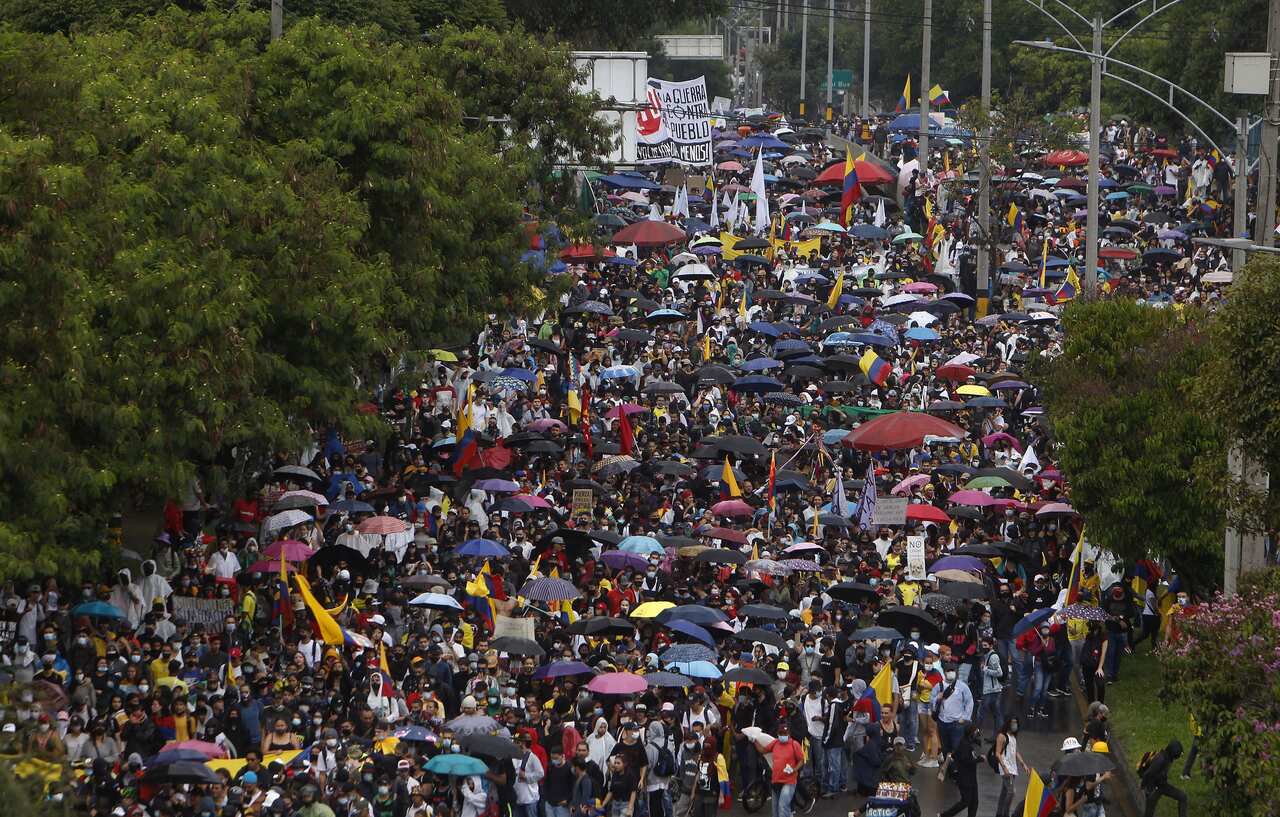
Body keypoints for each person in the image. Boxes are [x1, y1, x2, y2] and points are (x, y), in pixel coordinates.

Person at [753, 721, 806, 817]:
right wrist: (754, 741)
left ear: (789, 734)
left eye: (785, 734)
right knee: (775, 811)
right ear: (778, 734)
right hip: (776, 781)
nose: (783, 735)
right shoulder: (775, 743)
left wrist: (794, 770)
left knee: (782, 806)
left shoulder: (794, 745)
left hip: (789, 781)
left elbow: (801, 760)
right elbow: (763, 750)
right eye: (781, 733)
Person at [938, 722, 981, 817]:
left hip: (971, 778)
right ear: (971, 733)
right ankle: (945, 815)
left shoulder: (967, 743)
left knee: (974, 802)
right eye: (975, 731)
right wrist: (979, 759)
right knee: (966, 801)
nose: (976, 733)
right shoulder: (964, 745)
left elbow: (954, 755)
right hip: (964, 778)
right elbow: (966, 761)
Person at [1140, 739, 1188, 817]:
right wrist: (1146, 789)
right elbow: (1148, 774)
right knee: (1149, 813)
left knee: (1183, 797)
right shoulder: (1161, 759)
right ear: (1173, 753)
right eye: (1178, 755)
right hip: (1153, 789)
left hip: (1162, 785)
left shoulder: (1167, 757)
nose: (1178, 757)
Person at [993, 717, 1027, 817]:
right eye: (1012, 723)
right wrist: (1004, 767)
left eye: (1016, 722)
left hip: (1013, 768)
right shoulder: (1002, 736)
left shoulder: (1013, 737)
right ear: (1008, 723)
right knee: (1011, 791)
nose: (1014, 725)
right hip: (1006, 768)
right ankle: (1005, 814)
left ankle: (999, 814)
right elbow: (997, 753)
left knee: (1004, 792)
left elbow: (1015, 752)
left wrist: (1023, 764)